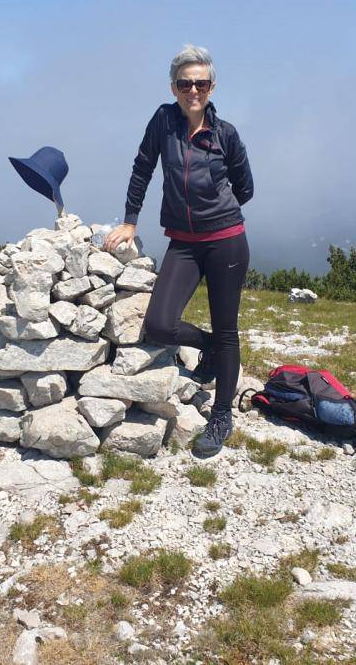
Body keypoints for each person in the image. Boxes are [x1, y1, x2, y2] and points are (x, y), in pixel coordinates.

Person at [104, 44, 254, 457]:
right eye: (185, 83)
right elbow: (143, 167)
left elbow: (245, 188)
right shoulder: (163, 121)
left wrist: (217, 210)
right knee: (159, 325)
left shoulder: (226, 134)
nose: (193, 91)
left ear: (212, 87)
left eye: (201, 83)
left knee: (228, 328)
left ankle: (221, 415)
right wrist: (130, 221)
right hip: (184, 243)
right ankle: (212, 347)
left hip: (226, 240)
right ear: (173, 87)